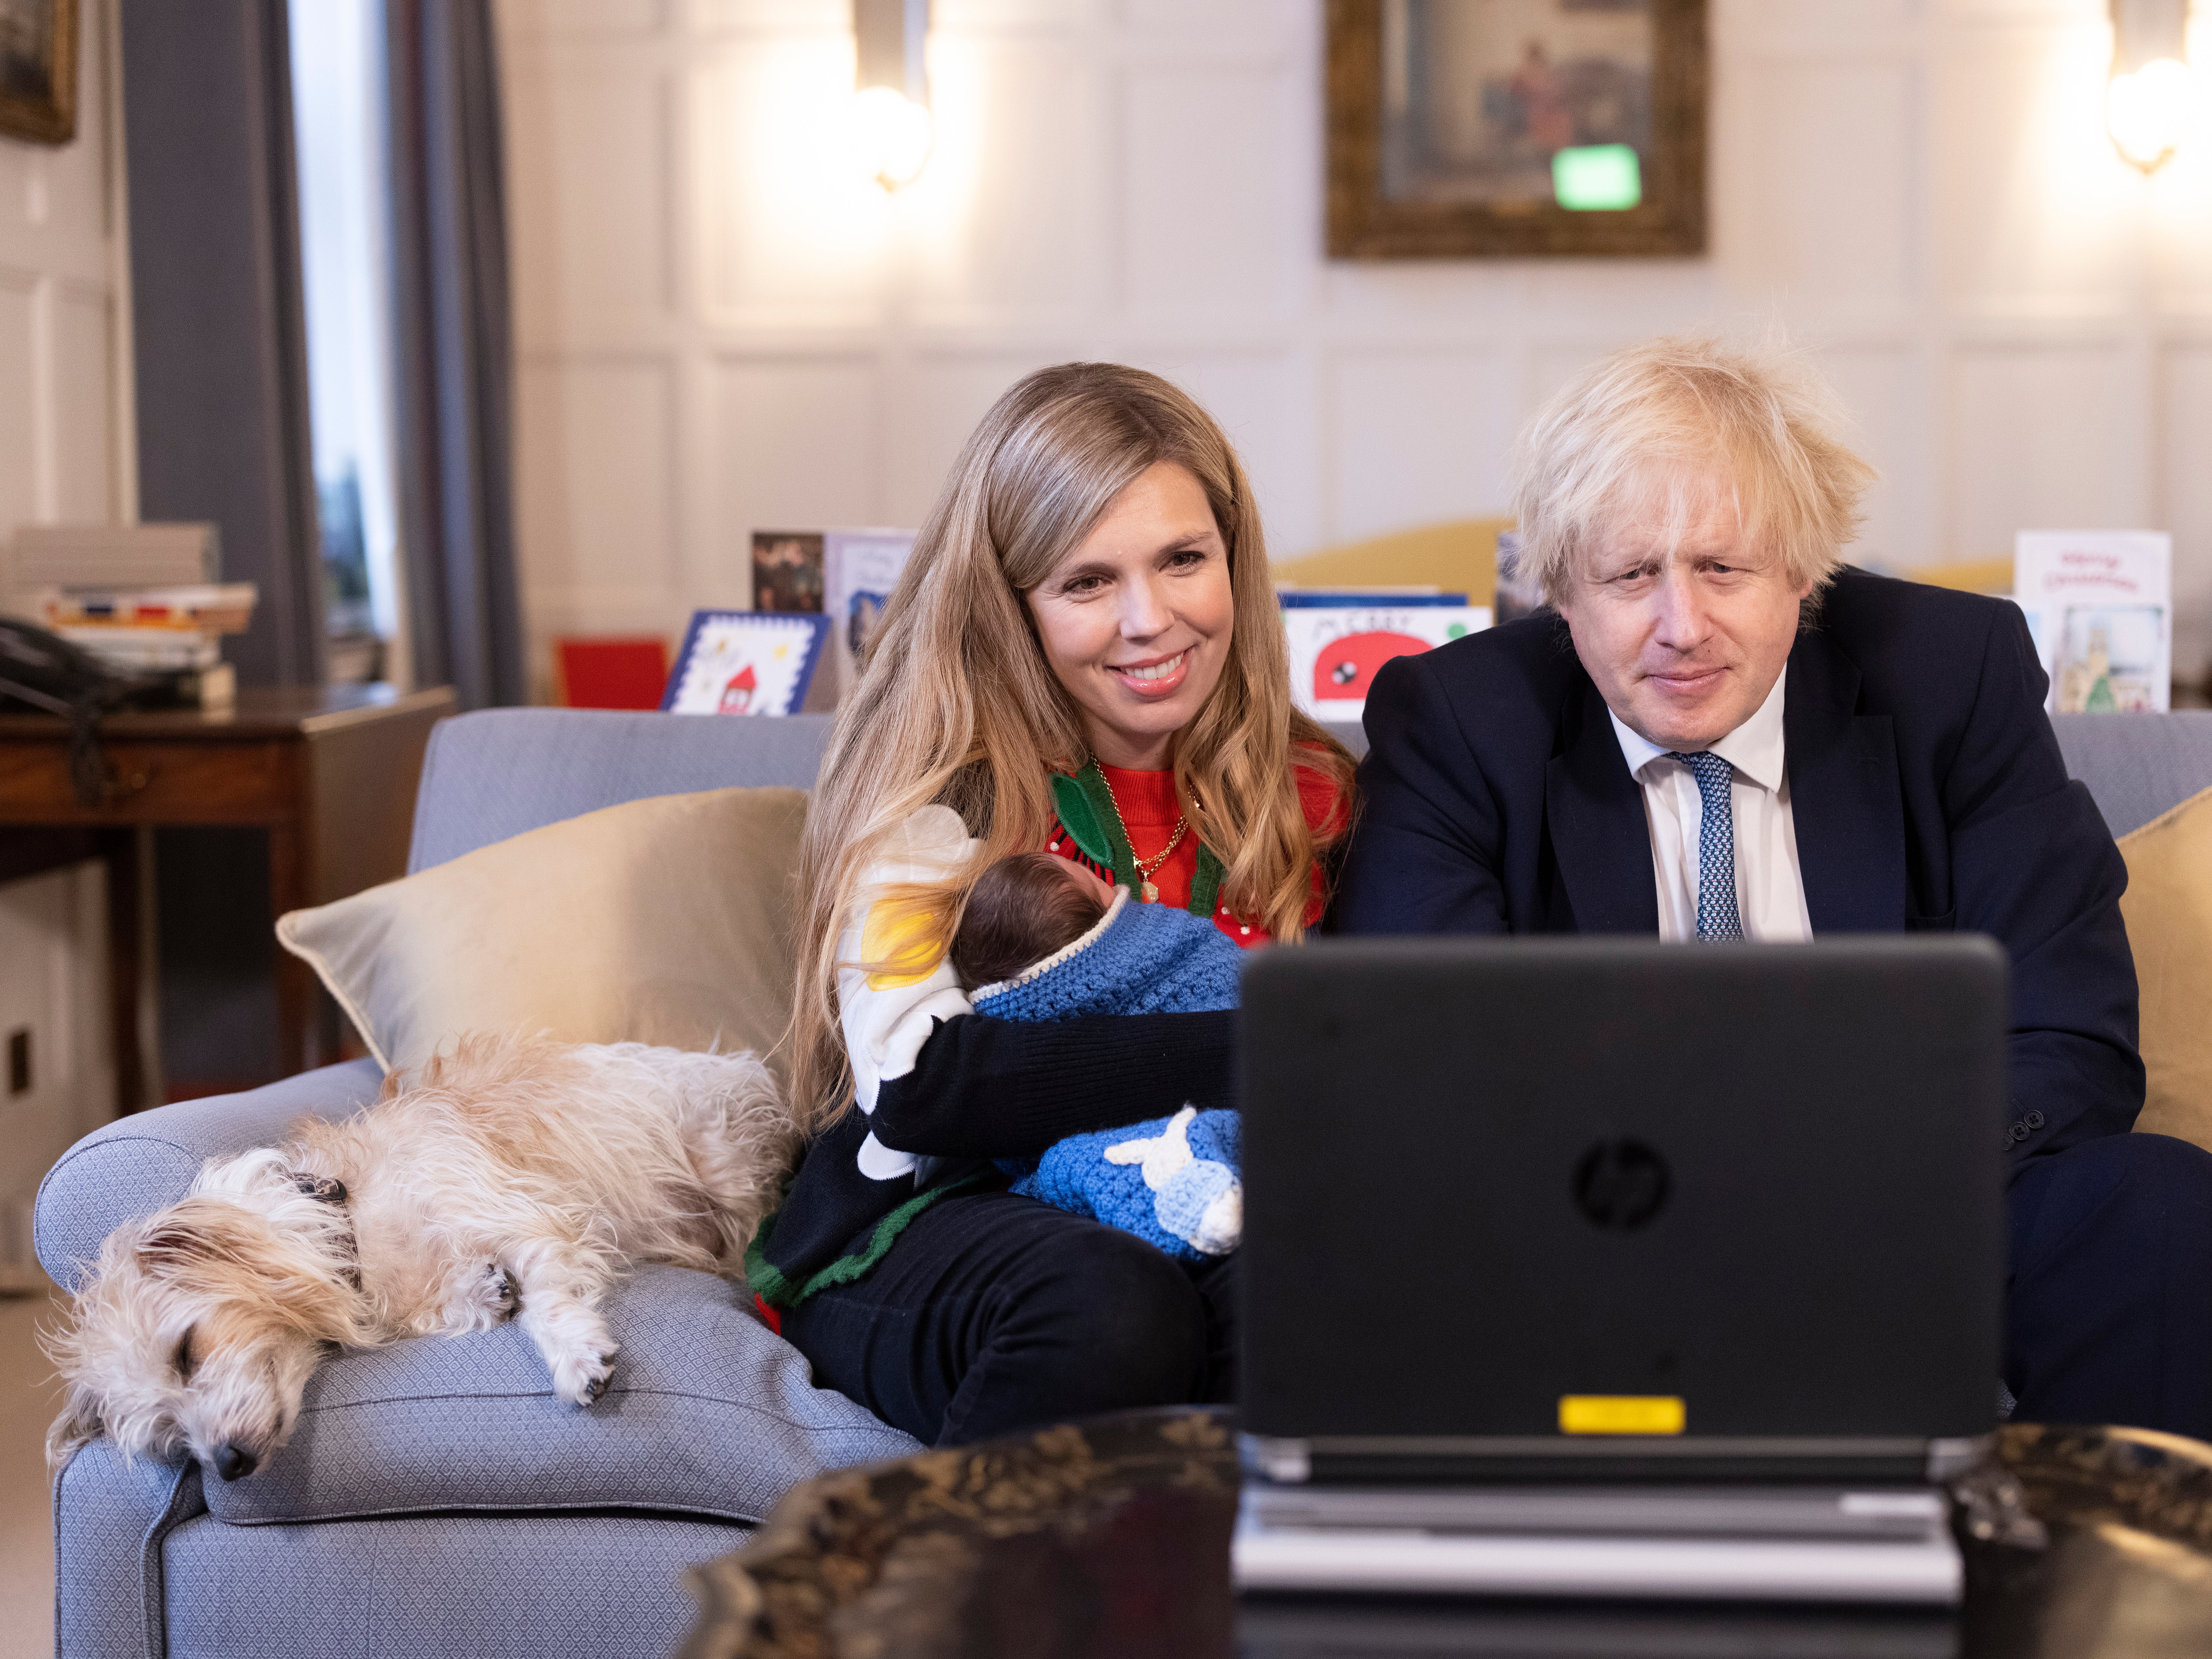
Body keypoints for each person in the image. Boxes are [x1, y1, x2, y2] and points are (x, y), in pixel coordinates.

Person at [1336, 333, 2212, 1439]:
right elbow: (1421, 1058)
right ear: (1559, 594)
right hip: (1593, 1229)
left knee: (2155, 1207)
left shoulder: (1957, 675)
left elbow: (2071, 1039)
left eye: (1723, 567)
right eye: (1628, 576)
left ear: (1804, 573)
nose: (1681, 626)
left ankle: (2102, 1601)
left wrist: (1838, 1177)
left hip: (1909, 1202)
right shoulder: (1459, 722)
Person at [747, 362, 1352, 1446]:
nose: (1149, 620)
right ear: (1010, 603)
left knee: (1309, 1299)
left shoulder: (1307, 786)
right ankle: (958, 1612)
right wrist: (1270, 1037)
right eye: (1086, 583)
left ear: (1234, 560)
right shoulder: (939, 795)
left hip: (1206, 1188)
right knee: (1111, 1308)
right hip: (931, 1216)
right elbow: (927, 1087)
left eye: (1183, 561)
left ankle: (1262, 1610)